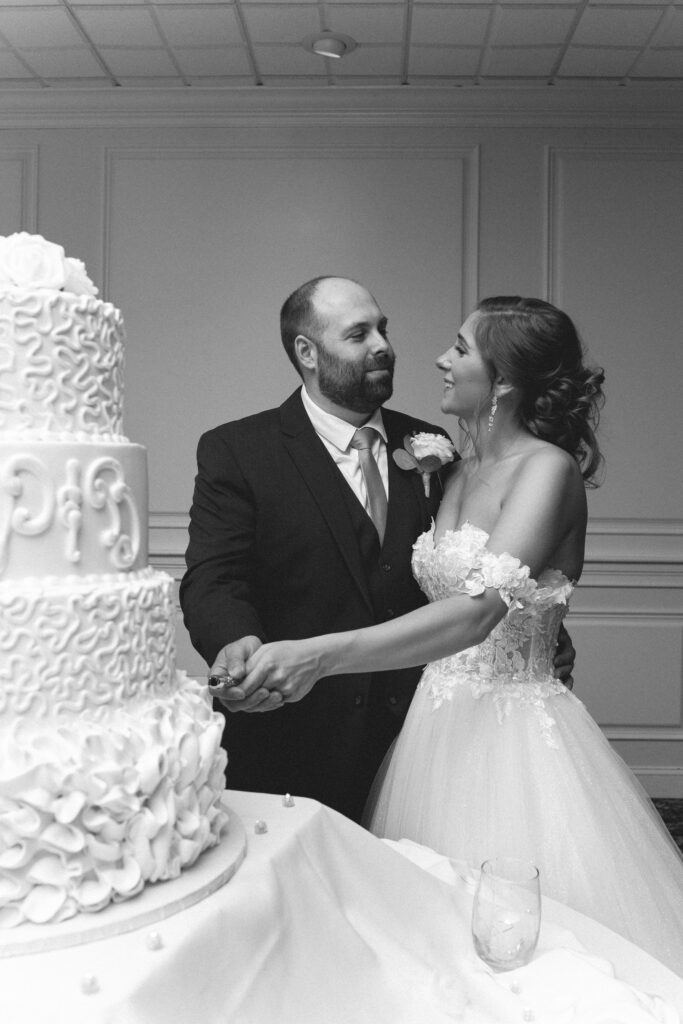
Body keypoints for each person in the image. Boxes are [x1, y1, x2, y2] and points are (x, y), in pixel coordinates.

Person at [233, 296, 683, 975]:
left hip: (514, 742)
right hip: (430, 730)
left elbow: (477, 613)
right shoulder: (449, 469)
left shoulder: (547, 470)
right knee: (425, 940)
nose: (440, 359)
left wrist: (320, 655)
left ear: (501, 379)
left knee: (528, 945)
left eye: (460, 348)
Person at [180, 278, 575, 825]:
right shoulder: (238, 450)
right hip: (296, 740)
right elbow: (215, 577)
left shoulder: (437, 447)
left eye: (383, 328)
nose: (384, 345)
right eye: (358, 334)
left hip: (423, 740)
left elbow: (499, 572)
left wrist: (542, 636)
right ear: (307, 353)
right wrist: (238, 642)